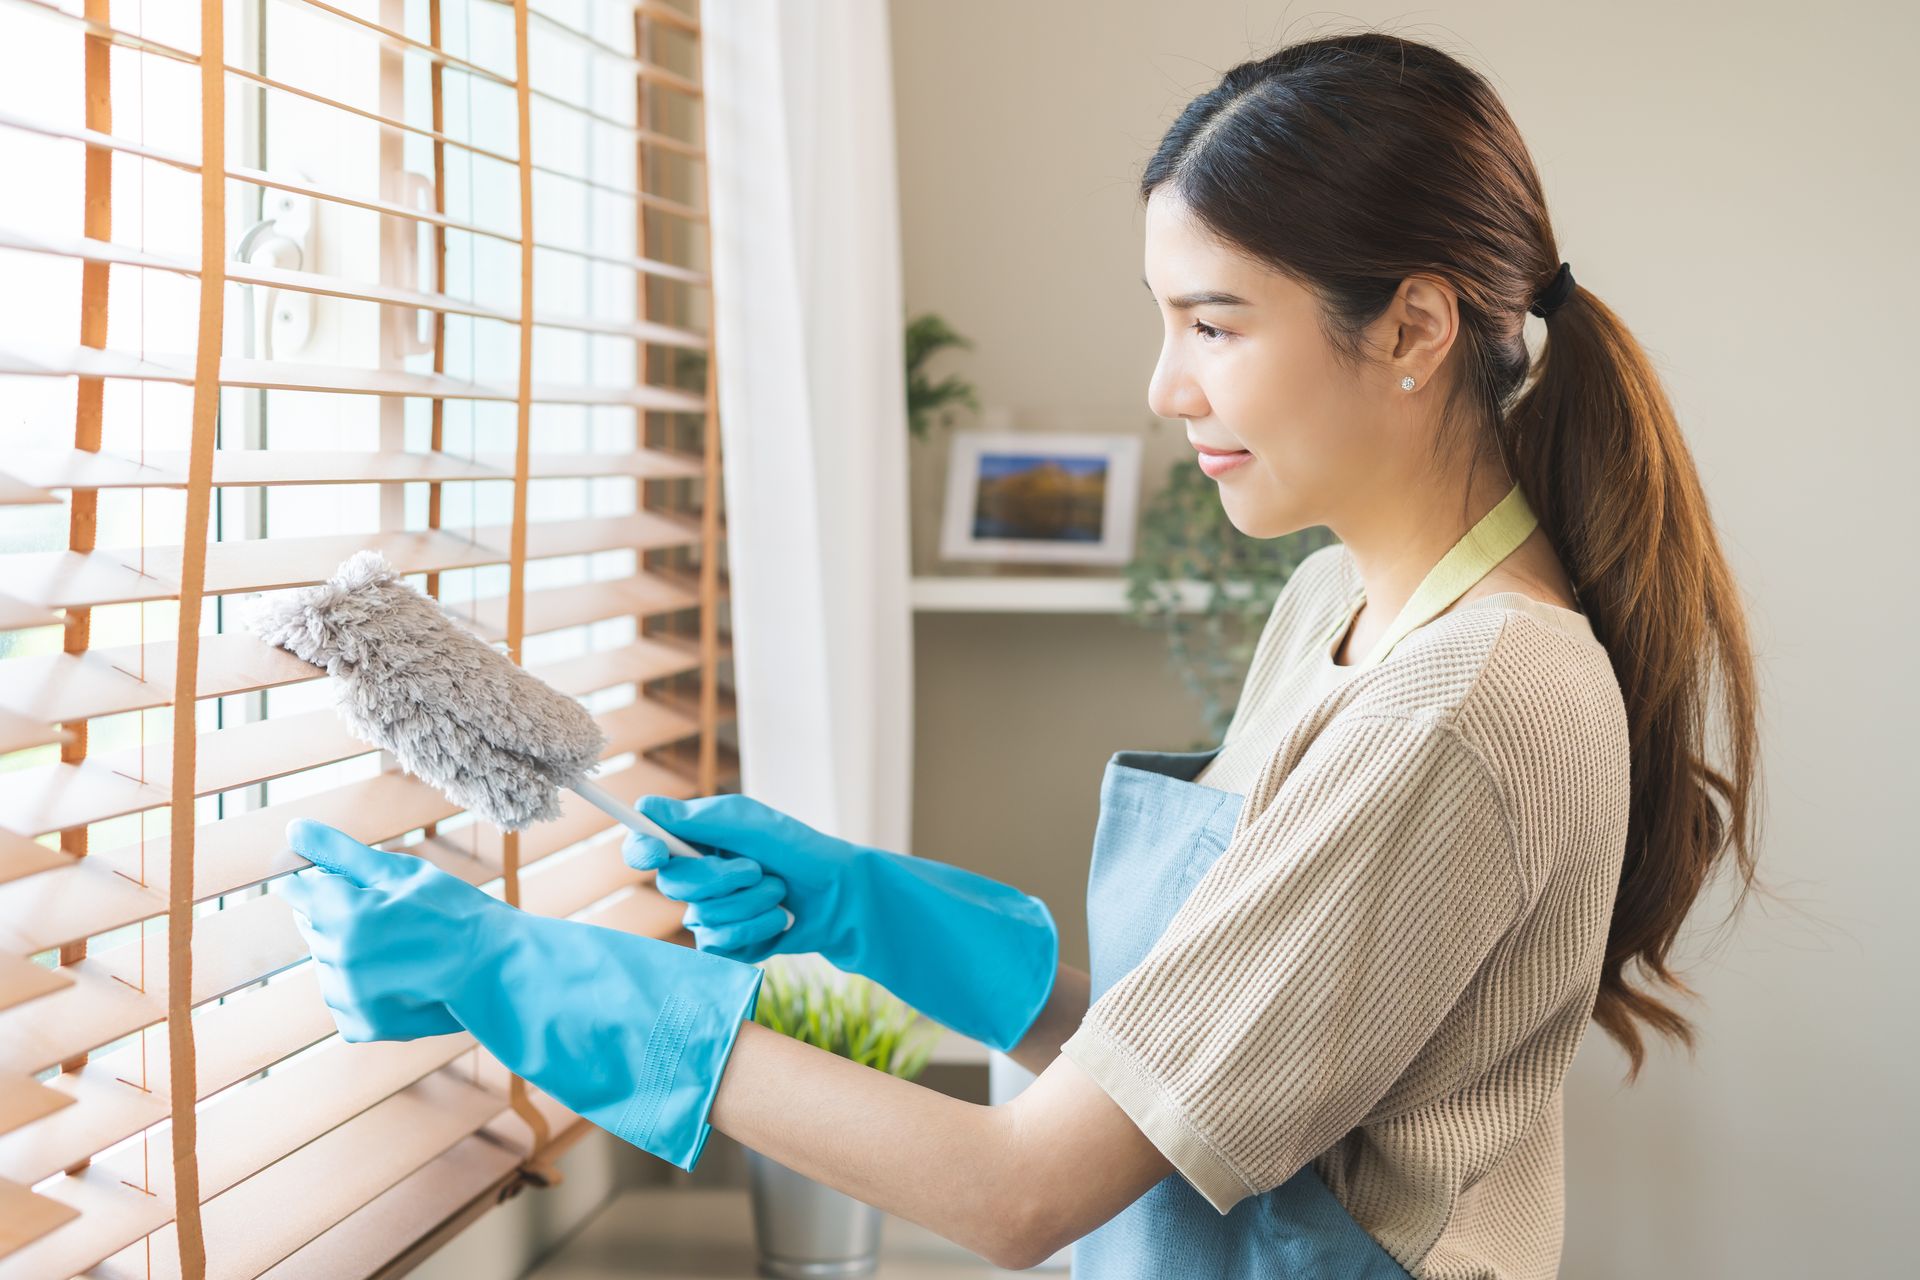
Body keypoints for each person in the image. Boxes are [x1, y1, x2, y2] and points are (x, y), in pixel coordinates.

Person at [280, 31, 1762, 1279]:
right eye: (1165, 317)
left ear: (1415, 328)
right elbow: (1178, 1063)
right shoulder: (1340, 609)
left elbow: (1024, 1188)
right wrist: (867, 907)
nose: (1166, 382)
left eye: (1215, 321)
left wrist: (529, 977)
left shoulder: (1471, 700)